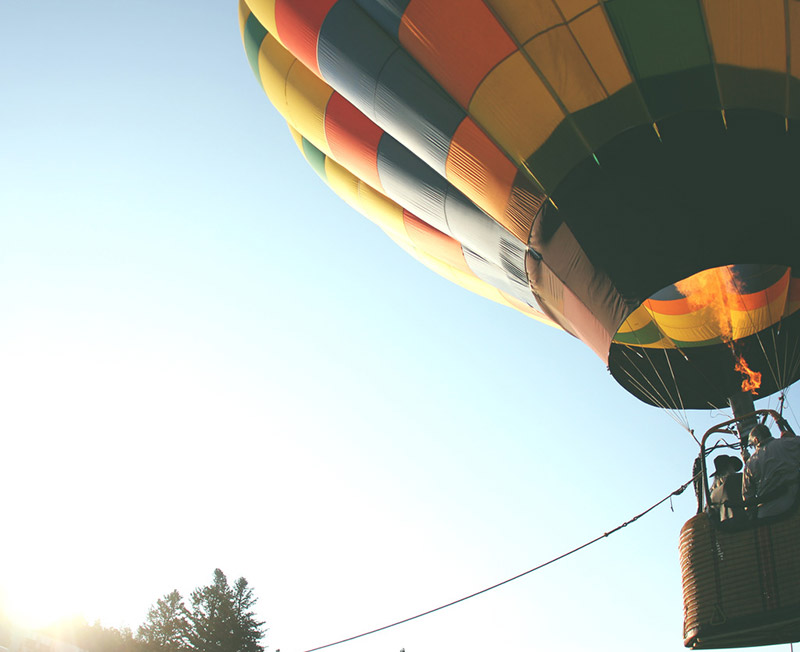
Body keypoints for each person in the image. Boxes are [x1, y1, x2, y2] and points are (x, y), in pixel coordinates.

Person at [742, 424, 800, 518]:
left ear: (756, 440)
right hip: (794, 504)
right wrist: (792, 437)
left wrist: (751, 516)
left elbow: (748, 496)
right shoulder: (787, 443)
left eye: (752, 445)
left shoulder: (750, 463)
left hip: (767, 513)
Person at [709, 454, 744, 524]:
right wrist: (747, 461)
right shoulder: (740, 479)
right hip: (746, 522)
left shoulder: (714, 494)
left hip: (726, 527)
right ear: (730, 466)